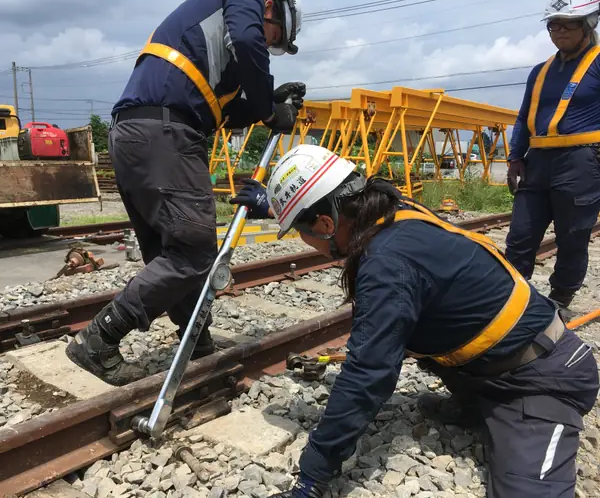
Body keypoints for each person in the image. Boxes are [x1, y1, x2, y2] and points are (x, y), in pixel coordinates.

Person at [230, 144, 599, 498]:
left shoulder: (388, 264)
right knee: (421, 327)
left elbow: (366, 375)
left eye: (300, 230)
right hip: (498, 363)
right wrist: (275, 206)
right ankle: (478, 403)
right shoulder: (391, 209)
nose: (305, 240)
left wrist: (311, 478)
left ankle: (507, 410)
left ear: (326, 222)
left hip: (544, 377)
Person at [65, 0, 306, 386]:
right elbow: (248, 40)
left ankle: (196, 337)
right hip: (165, 134)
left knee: (171, 252)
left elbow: (226, 112)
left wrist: (265, 104)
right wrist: (268, 109)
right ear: (269, 7)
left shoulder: (207, 51)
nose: (267, 44)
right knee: (193, 251)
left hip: (136, 133)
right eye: (273, 36)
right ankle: (98, 340)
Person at [505, 0, 600, 320]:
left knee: (572, 236)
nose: (559, 31)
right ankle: (514, 296)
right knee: (520, 235)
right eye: (553, 25)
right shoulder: (540, 71)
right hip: (538, 162)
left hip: (582, 161)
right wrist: (515, 157)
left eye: (567, 25)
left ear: (589, 23)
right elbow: (522, 118)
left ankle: (560, 298)